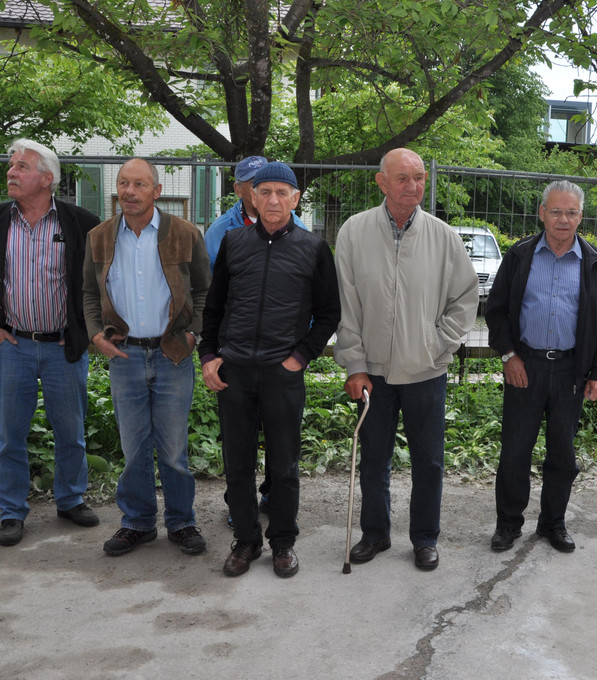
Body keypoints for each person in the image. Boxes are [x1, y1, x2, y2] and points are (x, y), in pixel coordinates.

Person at [334, 148, 479, 571]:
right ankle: (375, 534)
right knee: (373, 459)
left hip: (425, 371)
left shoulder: (444, 237)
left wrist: (437, 344)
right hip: (372, 372)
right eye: (402, 178)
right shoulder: (354, 231)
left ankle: (424, 538)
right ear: (381, 182)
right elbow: (347, 306)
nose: (413, 186)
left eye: (419, 178)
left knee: (428, 461)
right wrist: (355, 365)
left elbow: (464, 299)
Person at [199, 162, 340, 578]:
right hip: (236, 373)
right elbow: (214, 307)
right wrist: (209, 355)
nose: (273, 200)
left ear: (295, 199)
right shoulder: (233, 242)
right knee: (237, 464)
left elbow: (329, 313)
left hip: (283, 374)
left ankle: (283, 542)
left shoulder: (314, 248)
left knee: (284, 465)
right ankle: (245, 541)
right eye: (265, 192)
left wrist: (300, 357)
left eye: (282, 192)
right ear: (252, 197)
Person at [0, 139, 101, 547]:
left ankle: (70, 499)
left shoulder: (81, 222)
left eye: (21, 166)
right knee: (10, 435)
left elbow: (97, 285)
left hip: (63, 348)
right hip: (13, 346)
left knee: (71, 432)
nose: (11, 172)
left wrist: (83, 332)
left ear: (46, 178)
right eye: (11, 166)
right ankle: (11, 510)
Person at [82, 158, 211, 557]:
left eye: (139, 184)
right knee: (133, 449)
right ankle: (137, 522)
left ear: (157, 191)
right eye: (124, 182)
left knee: (173, 450)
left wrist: (193, 333)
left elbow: (205, 290)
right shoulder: (99, 237)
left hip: (172, 354)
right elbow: (89, 294)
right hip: (125, 356)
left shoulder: (185, 234)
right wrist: (95, 335)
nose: (130, 191)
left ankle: (181, 522)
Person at [485, 180, 597, 553]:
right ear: (542, 213)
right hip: (525, 367)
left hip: (571, 371)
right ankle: (508, 524)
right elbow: (495, 311)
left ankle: (552, 523)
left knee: (563, 453)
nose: (563, 219)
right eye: (556, 211)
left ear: (581, 216)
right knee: (515, 450)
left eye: (571, 212)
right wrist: (509, 355)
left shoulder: (595, 264)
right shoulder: (520, 255)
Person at [204, 155, 308, 269]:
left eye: (265, 182)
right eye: (254, 182)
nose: (261, 188)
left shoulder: (297, 225)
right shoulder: (220, 230)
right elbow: (210, 275)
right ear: (238, 189)